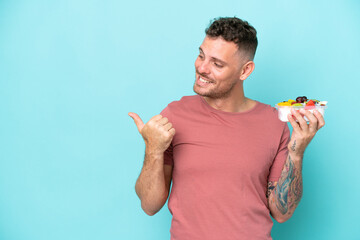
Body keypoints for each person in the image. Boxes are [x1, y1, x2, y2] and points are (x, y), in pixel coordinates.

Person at [129, 17, 325, 240]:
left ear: (245, 71)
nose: (201, 68)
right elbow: (149, 205)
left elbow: (282, 213)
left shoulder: (273, 122)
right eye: (201, 55)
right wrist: (152, 149)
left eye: (217, 63)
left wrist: (296, 153)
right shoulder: (175, 115)